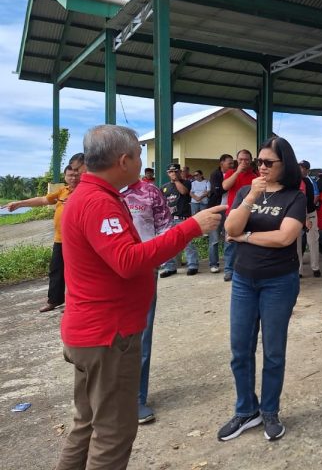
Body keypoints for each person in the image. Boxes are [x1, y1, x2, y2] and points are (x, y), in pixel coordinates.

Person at [55, 125, 223, 470]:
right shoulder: (98, 202)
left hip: (90, 332)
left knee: (85, 424)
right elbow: (128, 261)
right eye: (138, 156)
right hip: (107, 337)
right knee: (113, 433)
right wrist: (191, 227)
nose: (141, 163)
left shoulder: (89, 196)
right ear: (123, 160)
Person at [217, 136, 306, 442]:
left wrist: (245, 237)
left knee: (273, 351)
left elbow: (284, 238)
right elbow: (230, 228)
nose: (263, 167)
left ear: (285, 165)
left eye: (269, 162)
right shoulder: (246, 191)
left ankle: (269, 410)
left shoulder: (295, 196)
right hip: (244, 279)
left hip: (279, 282)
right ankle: (246, 410)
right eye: (259, 162)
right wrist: (249, 199)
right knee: (240, 349)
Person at [121, 178, 172, 424]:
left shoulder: (149, 192)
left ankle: (136, 399)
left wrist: (152, 259)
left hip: (143, 272)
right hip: (107, 275)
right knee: (107, 336)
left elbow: (165, 227)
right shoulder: (98, 193)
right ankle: (107, 397)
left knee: (141, 335)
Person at [5, 165, 81, 312]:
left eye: (76, 175)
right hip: (60, 239)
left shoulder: (84, 191)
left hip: (77, 241)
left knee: (77, 273)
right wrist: (19, 203)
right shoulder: (62, 191)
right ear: (65, 177)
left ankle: (76, 303)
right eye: (70, 175)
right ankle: (54, 300)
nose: (73, 178)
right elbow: (43, 200)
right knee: (56, 270)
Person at [222, 149, 259, 282]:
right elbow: (225, 186)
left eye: (246, 159)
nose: (244, 162)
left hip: (251, 214)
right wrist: (237, 171)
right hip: (232, 213)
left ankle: (244, 269)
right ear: (237, 160)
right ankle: (228, 270)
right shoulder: (231, 173)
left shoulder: (255, 176)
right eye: (241, 159)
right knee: (230, 243)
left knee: (247, 242)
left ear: (250, 160)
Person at [159, 164, 198, 277]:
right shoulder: (164, 187)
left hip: (183, 218)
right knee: (168, 244)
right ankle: (170, 267)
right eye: (170, 172)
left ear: (180, 172)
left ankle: (192, 265)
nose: (173, 173)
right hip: (169, 219)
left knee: (187, 243)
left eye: (175, 171)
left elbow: (184, 192)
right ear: (168, 173)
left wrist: (176, 180)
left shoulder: (186, 182)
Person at [207, 154, 234, 274]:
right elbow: (218, 191)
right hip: (216, 209)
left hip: (230, 210)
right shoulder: (215, 174)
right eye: (229, 163)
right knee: (214, 239)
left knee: (229, 239)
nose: (232, 165)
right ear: (221, 163)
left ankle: (229, 265)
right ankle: (213, 264)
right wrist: (229, 184)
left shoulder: (234, 174)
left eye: (233, 163)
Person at [300, 160, 321, 277]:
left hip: (311, 214)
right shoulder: (294, 181)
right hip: (297, 216)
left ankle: (315, 268)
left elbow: (316, 196)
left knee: (313, 241)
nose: (300, 169)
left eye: (303, 168)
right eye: (299, 167)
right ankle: (299, 271)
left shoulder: (311, 181)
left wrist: (308, 211)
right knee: (297, 245)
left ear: (307, 170)